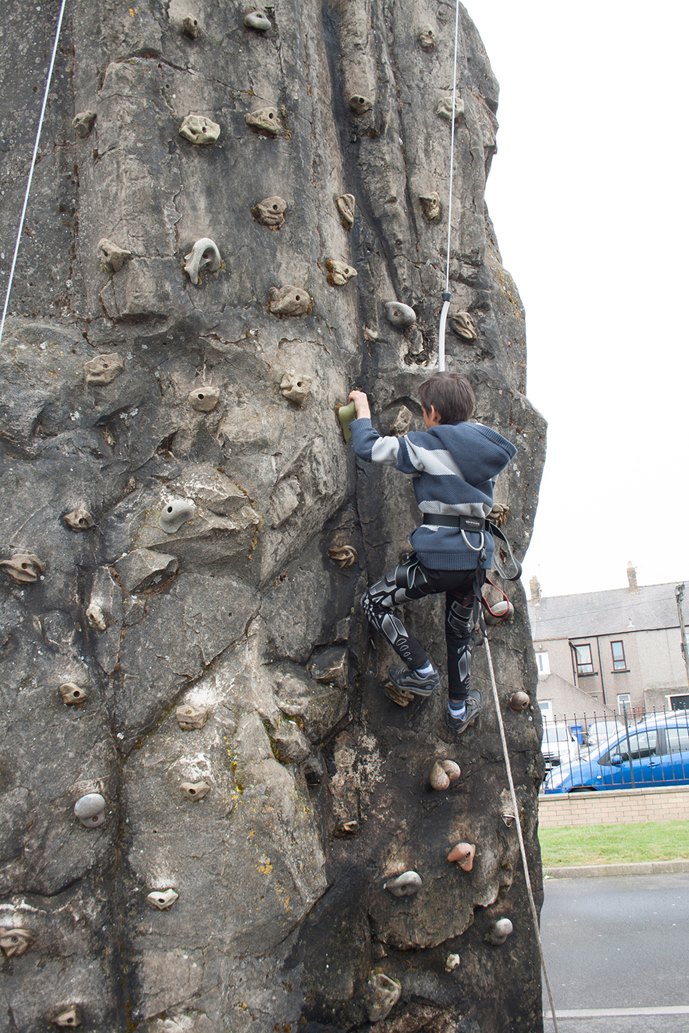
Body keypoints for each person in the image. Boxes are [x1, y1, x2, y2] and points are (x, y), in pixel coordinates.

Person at [347, 372, 516, 733]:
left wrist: (362, 410)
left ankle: (422, 670)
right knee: (458, 633)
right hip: (474, 558)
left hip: (437, 558)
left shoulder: (425, 444)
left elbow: (369, 448)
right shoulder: (485, 451)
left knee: (374, 602)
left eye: (424, 411)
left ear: (433, 412)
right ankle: (457, 711)